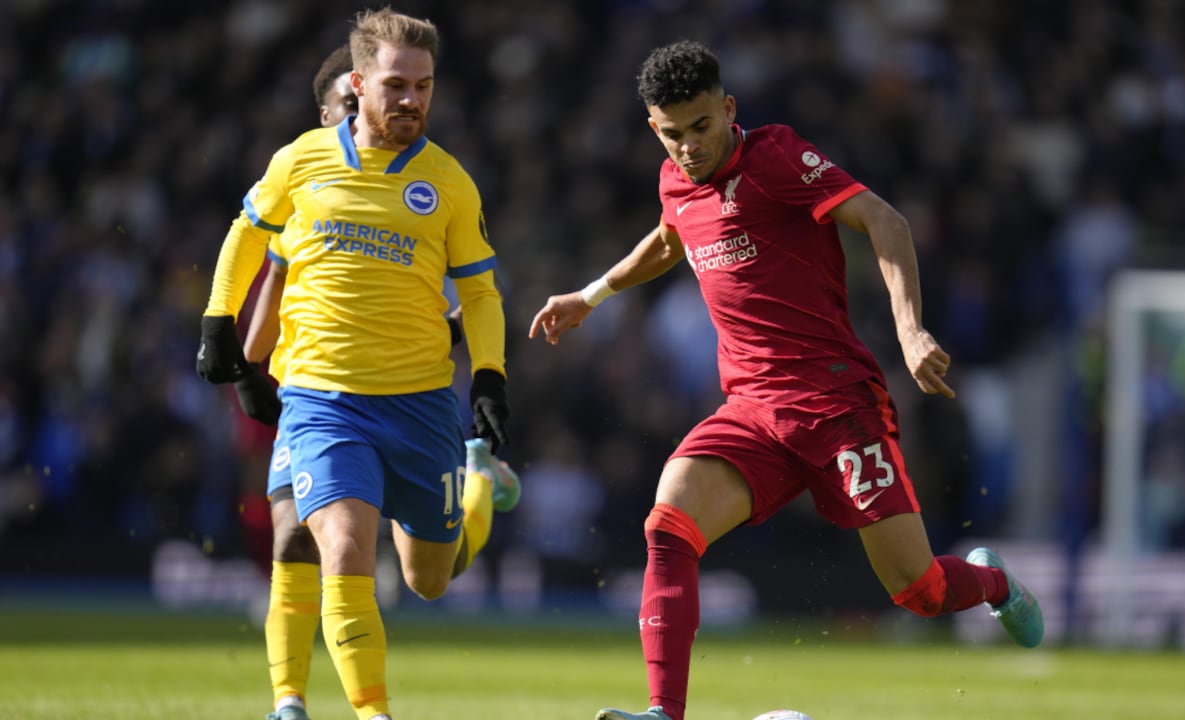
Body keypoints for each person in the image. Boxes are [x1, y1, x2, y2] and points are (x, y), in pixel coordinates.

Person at [529, 40, 1043, 720]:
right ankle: (663, 713)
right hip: (751, 411)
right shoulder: (674, 180)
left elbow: (884, 220)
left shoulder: (774, 158)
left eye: (702, 126)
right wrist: (589, 296)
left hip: (837, 404)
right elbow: (669, 238)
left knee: (918, 591)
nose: (689, 146)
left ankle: (993, 582)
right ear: (655, 128)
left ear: (728, 109)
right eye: (673, 133)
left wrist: (910, 331)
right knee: (669, 524)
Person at [196, 9, 514, 720]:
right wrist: (221, 325)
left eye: (424, 86)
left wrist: (489, 376)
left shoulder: (450, 182)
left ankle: (479, 486)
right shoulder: (301, 160)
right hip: (324, 399)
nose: (412, 100)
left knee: (429, 578)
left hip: (420, 403)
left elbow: (480, 292)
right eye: (397, 85)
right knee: (337, 547)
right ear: (360, 83)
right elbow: (249, 235)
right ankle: (362, 711)